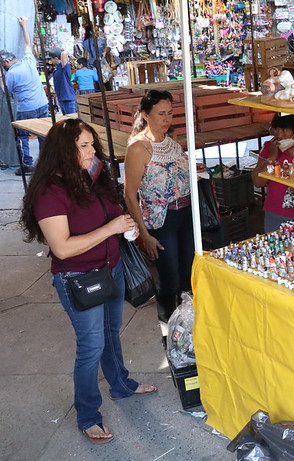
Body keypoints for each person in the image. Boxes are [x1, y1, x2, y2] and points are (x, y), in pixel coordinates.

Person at [19, 118, 158, 445]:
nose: (92, 151)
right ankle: (88, 415)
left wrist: (124, 224)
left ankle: (120, 385)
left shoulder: (88, 177)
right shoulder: (49, 192)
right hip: (79, 278)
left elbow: (108, 215)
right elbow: (62, 248)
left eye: (92, 144)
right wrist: (110, 229)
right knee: (91, 346)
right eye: (84, 146)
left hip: (110, 269)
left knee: (110, 333)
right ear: (63, 151)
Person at [123, 90, 194, 323]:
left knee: (189, 274)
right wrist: (144, 235)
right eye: (161, 114)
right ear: (145, 114)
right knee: (169, 279)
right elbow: (129, 195)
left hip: (186, 214)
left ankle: (186, 324)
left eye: (170, 113)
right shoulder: (138, 148)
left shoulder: (171, 141)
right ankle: (168, 328)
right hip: (162, 221)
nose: (167, 119)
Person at [251, 114, 294, 233]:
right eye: (277, 130)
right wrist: (271, 157)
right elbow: (257, 182)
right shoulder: (270, 147)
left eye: (285, 130)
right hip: (276, 213)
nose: (280, 135)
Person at [0, 16, 50, 176]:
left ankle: (27, 164)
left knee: (23, 136)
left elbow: (7, 92)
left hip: (26, 108)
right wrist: (24, 24)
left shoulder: (11, 74)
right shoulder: (29, 60)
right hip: (42, 104)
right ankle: (45, 163)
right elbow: (28, 43)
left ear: (6, 62)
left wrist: (1, 78)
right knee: (43, 134)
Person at [48, 48, 77, 115]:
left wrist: (64, 49)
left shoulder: (64, 67)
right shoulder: (57, 68)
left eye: (51, 58)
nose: (50, 60)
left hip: (68, 98)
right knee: (66, 118)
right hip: (61, 98)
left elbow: (64, 53)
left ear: (56, 58)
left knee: (71, 118)